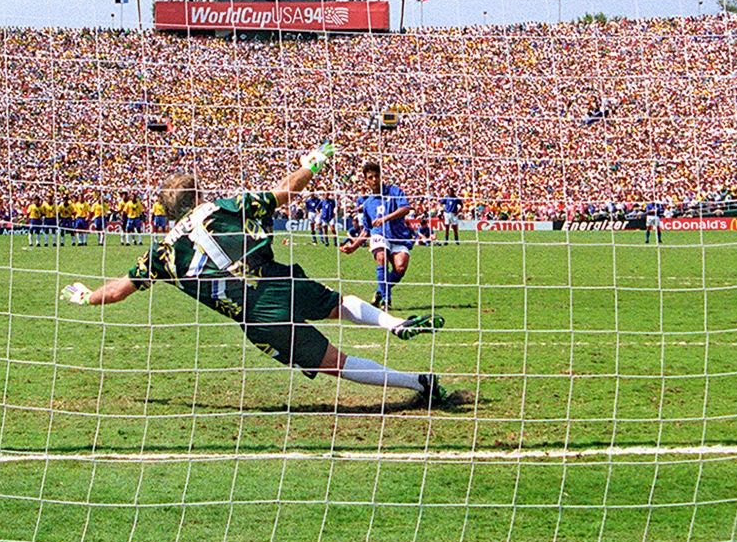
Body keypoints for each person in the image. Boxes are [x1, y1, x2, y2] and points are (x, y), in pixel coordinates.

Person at [60, 144, 450, 406]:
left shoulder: (161, 253)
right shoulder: (219, 208)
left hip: (255, 315)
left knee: (334, 360)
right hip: (274, 278)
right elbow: (284, 192)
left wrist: (87, 295)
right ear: (198, 197)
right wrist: (311, 164)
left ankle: (418, 382)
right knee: (339, 304)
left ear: (167, 211)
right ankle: (393, 323)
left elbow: (117, 292)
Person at [353, 161, 416, 309]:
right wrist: (354, 246)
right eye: (370, 177)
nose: (374, 179)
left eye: (376, 176)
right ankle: (387, 300)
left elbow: (406, 208)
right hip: (379, 235)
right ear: (366, 180)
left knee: (400, 268)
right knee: (381, 257)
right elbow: (367, 229)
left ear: (381, 176)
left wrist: (385, 218)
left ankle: (380, 291)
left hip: (398, 236)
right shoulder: (367, 203)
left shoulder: (394, 191)